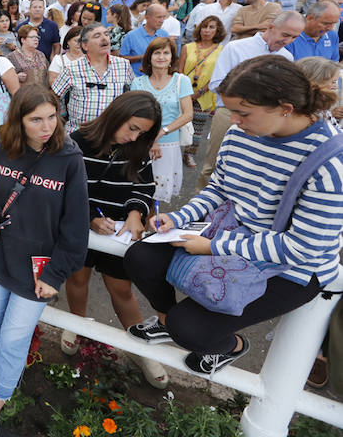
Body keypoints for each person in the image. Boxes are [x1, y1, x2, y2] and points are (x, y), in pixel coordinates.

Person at [125, 56, 343, 375]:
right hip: (231, 235)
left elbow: (303, 249)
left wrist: (215, 246)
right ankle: (166, 321)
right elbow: (219, 189)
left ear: (285, 107)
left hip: (292, 268)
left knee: (189, 329)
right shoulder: (241, 133)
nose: (234, 120)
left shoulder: (329, 164)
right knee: (140, 258)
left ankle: (230, 346)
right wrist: (180, 218)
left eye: (242, 112)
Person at [0, 85, 89, 437]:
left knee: (13, 341)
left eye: (52, 117)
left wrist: (55, 275)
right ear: (19, 121)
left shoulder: (69, 159)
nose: (47, 127)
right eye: (36, 119)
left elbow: (76, 230)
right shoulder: (1, 150)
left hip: (38, 271)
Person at [62, 90, 170, 388]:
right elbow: (64, 188)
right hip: (81, 224)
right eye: (132, 128)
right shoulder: (78, 140)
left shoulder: (139, 147)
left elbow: (144, 186)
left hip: (121, 230)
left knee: (121, 288)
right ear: (116, 115)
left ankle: (140, 348)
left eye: (143, 133)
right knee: (77, 278)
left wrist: (136, 213)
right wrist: (88, 219)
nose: (134, 138)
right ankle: (76, 324)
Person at [196, 11, 302, 190]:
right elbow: (216, 83)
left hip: (265, 119)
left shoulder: (287, 58)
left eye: (294, 37)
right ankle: (202, 211)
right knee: (214, 165)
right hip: (229, 114)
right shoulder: (236, 47)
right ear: (271, 27)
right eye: (285, 34)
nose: (288, 40)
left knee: (252, 168)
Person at [131, 38, 194, 202]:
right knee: (141, 192)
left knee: (159, 196)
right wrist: (150, 140)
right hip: (143, 144)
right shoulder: (138, 82)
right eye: (157, 53)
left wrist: (160, 134)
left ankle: (154, 227)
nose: (161, 57)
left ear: (172, 57)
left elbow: (187, 114)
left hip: (168, 145)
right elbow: (135, 116)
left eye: (166, 53)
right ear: (149, 57)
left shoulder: (182, 81)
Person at [52, 23, 136, 133]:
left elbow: (133, 96)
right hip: (79, 134)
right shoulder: (72, 68)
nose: (104, 38)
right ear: (85, 45)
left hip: (112, 133)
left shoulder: (123, 65)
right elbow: (54, 96)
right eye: (97, 36)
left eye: (106, 34)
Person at [179, 15, 225, 168]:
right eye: (205, 27)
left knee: (197, 128)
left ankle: (189, 154)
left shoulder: (221, 50)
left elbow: (218, 75)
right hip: (183, 92)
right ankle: (171, 153)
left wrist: (198, 93)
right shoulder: (188, 47)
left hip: (204, 95)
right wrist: (183, 91)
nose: (207, 30)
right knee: (176, 122)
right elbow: (180, 71)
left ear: (218, 30)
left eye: (212, 27)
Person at [120, 3, 169, 75]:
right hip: (137, 79)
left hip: (158, 79)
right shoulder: (131, 36)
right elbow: (121, 59)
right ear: (147, 17)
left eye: (163, 17)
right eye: (158, 17)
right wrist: (142, 57)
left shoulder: (164, 35)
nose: (161, 21)